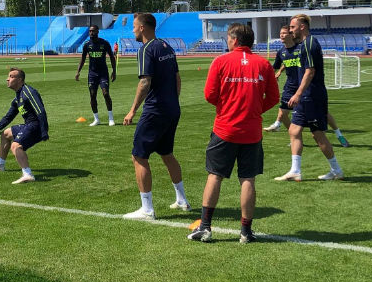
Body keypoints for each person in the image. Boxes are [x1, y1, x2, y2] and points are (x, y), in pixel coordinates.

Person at [188, 23, 278, 243]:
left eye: (228, 38)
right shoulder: (263, 64)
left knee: (215, 175)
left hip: (225, 129)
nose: (227, 41)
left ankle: (206, 228)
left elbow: (210, 94)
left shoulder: (221, 61)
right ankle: (246, 232)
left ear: (235, 40)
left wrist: (228, 108)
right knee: (248, 179)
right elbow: (274, 98)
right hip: (252, 132)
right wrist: (254, 110)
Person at [122, 13, 191, 220]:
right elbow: (177, 78)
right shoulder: (166, 46)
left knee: (139, 156)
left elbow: (145, 82)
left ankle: (147, 209)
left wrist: (133, 110)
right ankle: (182, 199)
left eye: (134, 26)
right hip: (172, 109)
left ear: (142, 27)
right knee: (166, 153)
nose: (132, 30)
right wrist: (172, 101)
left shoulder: (146, 49)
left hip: (155, 110)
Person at [274, 14, 344, 182]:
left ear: (302, 27)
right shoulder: (303, 44)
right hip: (306, 96)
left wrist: (298, 94)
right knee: (294, 130)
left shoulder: (309, 43)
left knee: (317, 134)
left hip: (311, 96)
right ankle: (295, 170)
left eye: (292, 27)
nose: (290, 31)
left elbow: (310, 71)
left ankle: (336, 169)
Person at [263, 26, 350, 148]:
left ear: (291, 34)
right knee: (283, 113)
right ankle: (295, 137)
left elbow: (309, 67)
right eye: (280, 33)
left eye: (284, 33)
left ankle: (339, 134)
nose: (281, 35)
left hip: (305, 86)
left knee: (323, 113)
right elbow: (278, 65)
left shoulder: (301, 48)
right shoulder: (281, 51)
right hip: (290, 86)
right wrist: (273, 75)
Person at [0, 68, 49, 184]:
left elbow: (41, 111)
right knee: (6, 134)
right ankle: (0, 164)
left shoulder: (29, 92)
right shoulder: (17, 97)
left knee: (16, 146)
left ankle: (27, 174)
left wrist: (44, 131)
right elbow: (7, 118)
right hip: (29, 125)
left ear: (20, 80)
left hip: (36, 126)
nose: (7, 79)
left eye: (11, 76)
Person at [75, 25, 117, 126]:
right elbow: (83, 58)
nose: (91, 33)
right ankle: (96, 119)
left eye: (93, 31)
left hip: (103, 73)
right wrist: (78, 71)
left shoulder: (104, 43)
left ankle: (111, 118)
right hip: (92, 74)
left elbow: (112, 57)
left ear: (98, 31)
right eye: (90, 31)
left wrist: (114, 71)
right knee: (92, 96)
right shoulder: (87, 45)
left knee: (106, 93)